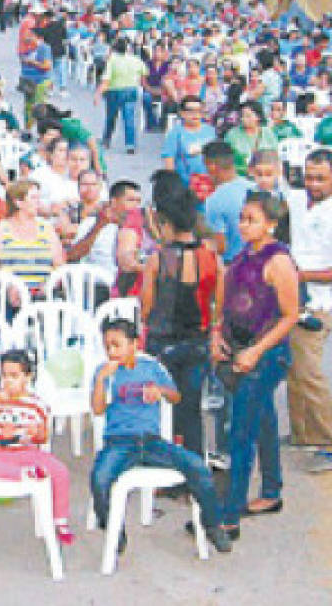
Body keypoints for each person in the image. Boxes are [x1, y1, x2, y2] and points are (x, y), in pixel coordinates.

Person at [90, 319, 232, 555]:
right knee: (100, 478)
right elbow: (97, 409)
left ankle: (212, 524)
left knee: (197, 466)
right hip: (120, 441)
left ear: (134, 344)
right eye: (107, 346)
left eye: (117, 345)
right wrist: (100, 381)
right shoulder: (105, 373)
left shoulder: (151, 368)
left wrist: (160, 391)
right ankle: (113, 528)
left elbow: (175, 397)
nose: (112, 351)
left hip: (152, 440)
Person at [214, 192, 300, 535]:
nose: (243, 224)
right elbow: (227, 299)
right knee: (262, 420)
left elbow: (290, 315)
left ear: (272, 224)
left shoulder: (278, 261)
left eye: (251, 219)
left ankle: (229, 516)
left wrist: (256, 352)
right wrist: (217, 333)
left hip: (265, 355)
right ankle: (271, 492)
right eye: (243, 218)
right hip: (238, 345)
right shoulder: (244, 254)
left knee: (241, 432)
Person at [139, 176, 221, 456]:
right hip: (197, 341)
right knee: (192, 410)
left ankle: (165, 468)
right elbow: (216, 304)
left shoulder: (159, 259)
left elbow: (147, 306)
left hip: (163, 342)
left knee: (163, 410)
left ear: (168, 224)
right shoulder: (210, 258)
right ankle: (195, 472)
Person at [286, 149, 332, 473]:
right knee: (295, 370)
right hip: (292, 300)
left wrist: (302, 275)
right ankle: (302, 433)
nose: (312, 184)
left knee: (310, 374)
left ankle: (331, 442)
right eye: (309, 177)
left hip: (315, 303)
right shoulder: (300, 200)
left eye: (320, 178)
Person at [0, 350, 73, 544]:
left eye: (14, 376)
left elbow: (44, 437)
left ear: (27, 377)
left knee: (60, 471)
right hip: (0, 453)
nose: (8, 381)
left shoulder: (37, 405)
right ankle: (26, 474)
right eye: (4, 376)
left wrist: (37, 433)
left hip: (29, 453)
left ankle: (60, 520)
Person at [0, 180, 65, 302]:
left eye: (38, 198)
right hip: (8, 296)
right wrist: (7, 288)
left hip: (44, 294)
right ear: (18, 202)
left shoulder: (47, 229)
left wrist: (49, 285)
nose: (38, 203)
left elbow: (59, 266)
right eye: (33, 198)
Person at [203, 140, 256, 263]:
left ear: (211, 166)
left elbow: (220, 247)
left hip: (233, 266)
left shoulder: (214, 200)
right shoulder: (255, 187)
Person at [96, 38, 146, 154]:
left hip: (114, 90)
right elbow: (143, 75)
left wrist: (98, 94)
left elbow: (106, 80)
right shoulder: (136, 60)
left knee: (111, 117)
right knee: (129, 118)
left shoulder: (112, 60)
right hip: (131, 89)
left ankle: (106, 139)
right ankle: (130, 144)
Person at [224, 102, 277, 176]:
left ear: (258, 117)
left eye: (248, 116)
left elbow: (275, 156)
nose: (243, 119)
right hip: (240, 176)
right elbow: (226, 160)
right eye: (242, 116)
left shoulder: (268, 133)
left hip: (264, 175)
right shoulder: (232, 134)